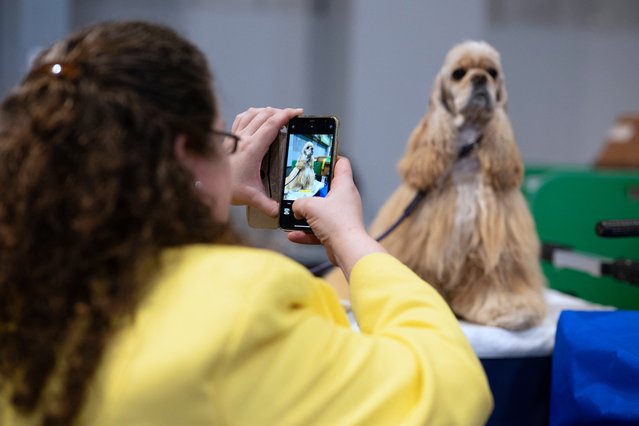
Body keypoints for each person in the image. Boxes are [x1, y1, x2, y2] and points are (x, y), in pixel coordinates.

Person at [0, 21, 492, 425]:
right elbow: (451, 392)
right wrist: (351, 240)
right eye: (218, 139)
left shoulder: (26, 280)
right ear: (182, 153)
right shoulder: (243, 304)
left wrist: (201, 189)